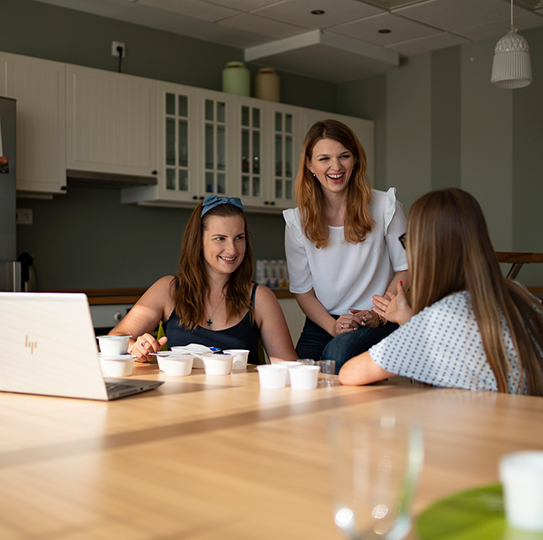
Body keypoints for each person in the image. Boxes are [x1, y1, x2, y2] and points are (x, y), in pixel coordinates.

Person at [339, 188, 543, 396]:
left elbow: (350, 373)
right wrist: (408, 320)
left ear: (425, 250)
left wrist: (415, 324)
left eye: (409, 241)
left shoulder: (441, 317)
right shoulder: (520, 295)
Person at [283, 119, 409, 372]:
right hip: (323, 322)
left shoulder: (387, 207)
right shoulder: (297, 221)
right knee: (296, 374)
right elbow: (303, 291)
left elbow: (406, 269)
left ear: (356, 160)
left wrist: (381, 313)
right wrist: (331, 326)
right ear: (309, 164)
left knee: (337, 355)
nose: (336, 167)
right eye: (324, 159)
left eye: (344, 156)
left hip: (376, 319)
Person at [110, 196, 298, 364]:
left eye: (239, 238)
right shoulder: (168, 289)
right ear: (199, 242)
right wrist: (135, 347)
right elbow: (115, 337)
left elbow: (288, 367)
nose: (232, 250)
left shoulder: (261, 298)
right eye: (220, 238)